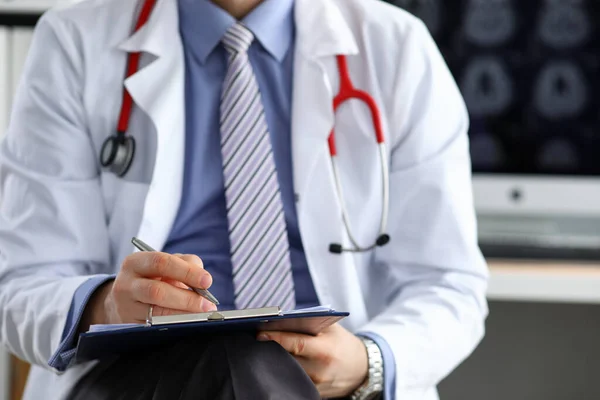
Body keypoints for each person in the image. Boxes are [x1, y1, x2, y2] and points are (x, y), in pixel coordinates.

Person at [0, 0, 490, 399]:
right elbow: (21, 286)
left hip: (334, 383)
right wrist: (106, 306)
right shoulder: (73, 40)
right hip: (136, 378)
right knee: (238, 367)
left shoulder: (395, 46)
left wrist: (367, 361)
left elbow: (448, 285)